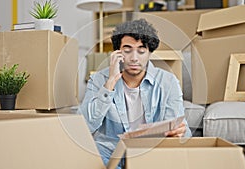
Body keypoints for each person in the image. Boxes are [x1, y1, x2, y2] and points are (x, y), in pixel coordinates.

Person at [77, 18, 192, 167]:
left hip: (149, 153)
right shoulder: (99, 79)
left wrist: (178, 133)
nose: (134, 58)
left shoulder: (168, 82)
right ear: (118, 52)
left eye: (141, 50)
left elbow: (180, 130)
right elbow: (86, 126)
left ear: (149, 52)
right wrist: (110, 83)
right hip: (108, 153)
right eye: (127, 49)